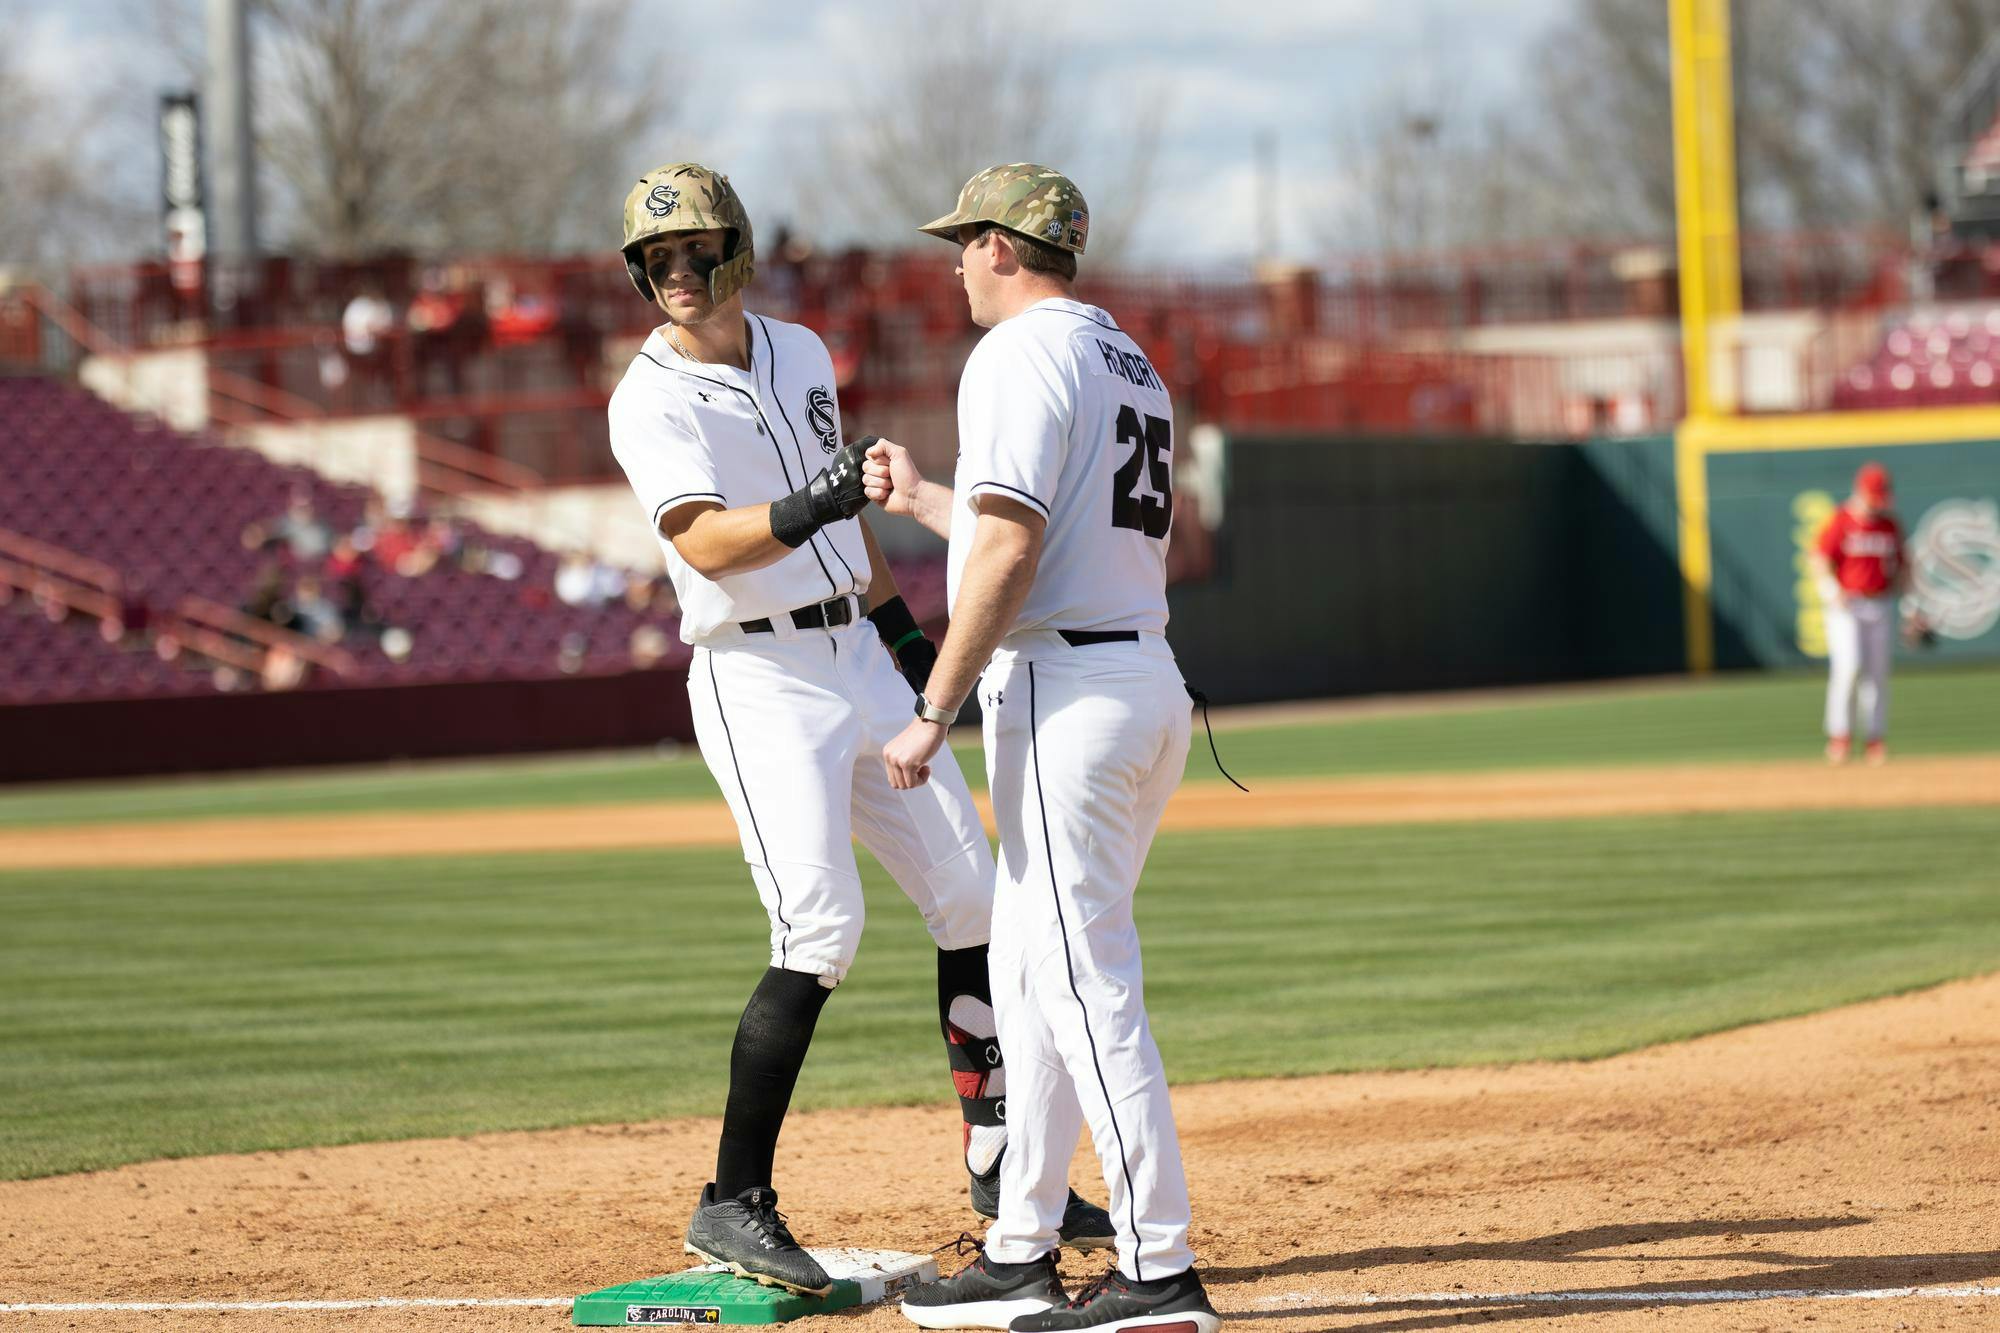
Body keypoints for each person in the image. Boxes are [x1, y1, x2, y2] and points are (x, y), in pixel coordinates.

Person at [603, 162, 1111, 1299]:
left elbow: (853, 539)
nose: (674, 274)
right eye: (654, 259)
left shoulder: (798, 351)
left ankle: (995, 1159)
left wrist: (910, 648)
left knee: (973, 896)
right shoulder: (647, 395)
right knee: (819, 925)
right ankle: (730, 1200)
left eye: (692, 250)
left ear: (733, 249)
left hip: (850, 650)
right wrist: (814, 505)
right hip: (755, 673)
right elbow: (703, 543)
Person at [873, 165, 1220, 1333]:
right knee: (1027, 974)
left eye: (963, 241)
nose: (953, 260)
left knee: (1081, 979)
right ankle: (1019, 1247)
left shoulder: (1014, 355)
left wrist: (934, 701)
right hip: (1131, 673)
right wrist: (928, 499)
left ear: (1001, 247)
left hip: (1067, 690)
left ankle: (1159, 1270)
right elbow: (1031, 530)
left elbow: (1013, 551)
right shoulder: (1124, 355)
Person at [1813, 461, 1906, 765]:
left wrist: (1909, 604)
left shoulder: (1889, 524)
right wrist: (1830, 590)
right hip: (1847, 605)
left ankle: (1874, 740)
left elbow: (1905, 565)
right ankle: (1839, 738)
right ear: (1861, 492)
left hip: (1880, 603)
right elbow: (1819, 558)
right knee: (1849, 667)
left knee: (1877, 674)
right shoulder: (1842, 520)